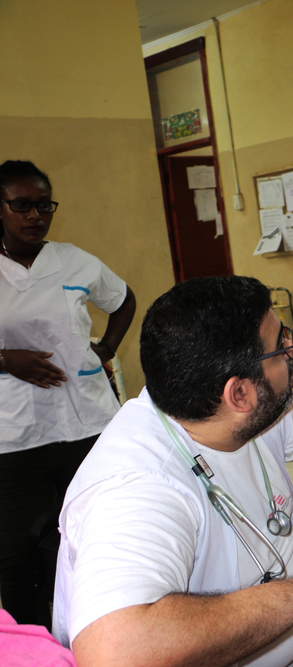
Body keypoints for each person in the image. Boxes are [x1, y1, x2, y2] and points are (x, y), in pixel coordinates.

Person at [52, 276, 293, 667]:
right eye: (280, 347)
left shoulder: (257, 409)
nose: (292, 350)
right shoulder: (137, 488)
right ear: (239, 394)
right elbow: (112, 652)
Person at [0, 160, 136, 628]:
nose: (34, 214)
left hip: (89, 423)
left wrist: (106, 348)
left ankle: (107, 629)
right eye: (21, 204)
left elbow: (122, 300)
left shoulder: (74, 260)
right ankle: (31, 645)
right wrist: (4, 360)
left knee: (102, 533)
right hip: (17, 436)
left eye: (43, 205)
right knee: (15, 552)